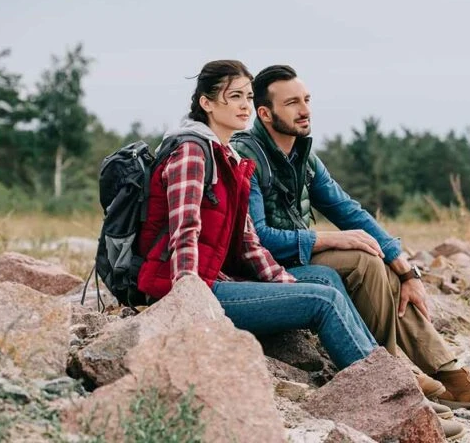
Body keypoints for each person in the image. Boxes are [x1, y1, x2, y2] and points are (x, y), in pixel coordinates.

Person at [232, 64, 470, 411]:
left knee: (381, 262)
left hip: (295, 257)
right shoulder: (246, 154)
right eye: (292, 103)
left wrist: (405, 269)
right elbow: (256, 238)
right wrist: (328, 239)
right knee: (362, 259)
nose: (305, 110)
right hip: (263, 268)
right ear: (265, 112)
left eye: (306, 99)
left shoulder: (303, 157)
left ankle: (450, 374)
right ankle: (396, 372)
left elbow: (349, 210)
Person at [135, 60, 377, 371]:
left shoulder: (230, 156)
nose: (245, 106)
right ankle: (378, 387)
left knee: (324, 278)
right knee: (323, 301)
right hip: (189, 291)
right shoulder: (191, 153)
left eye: (249, 97)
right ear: (206, 103)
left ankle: (383, 372)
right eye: (234, 97)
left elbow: (249, 241)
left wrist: (283, 283)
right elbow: (185, 232)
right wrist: (188, 301)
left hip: (221, 278)